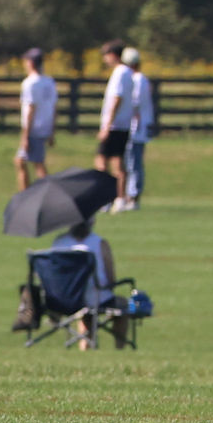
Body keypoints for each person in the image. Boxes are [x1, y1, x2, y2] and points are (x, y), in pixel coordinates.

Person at [50, 215, 128, 349]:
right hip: (96, 299)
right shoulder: (99, 243)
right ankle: (120, 348)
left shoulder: (59, 242)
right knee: (125, 305)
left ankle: (85, 345)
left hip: (62, 300)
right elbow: (111, 280)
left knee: (85, 309)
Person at [95, 40, 132, 211]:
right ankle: (118, 198)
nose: (105, 59)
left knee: (104, 162)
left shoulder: (120, 73)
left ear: (113, 55)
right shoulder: (127, 72)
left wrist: (107, 125)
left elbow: (116, 99)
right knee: (117, 161)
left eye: (106, 55)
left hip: (115, 126)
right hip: (121, 125)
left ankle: (110, 198)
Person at [16, 48, 58, 191]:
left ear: (31, 63)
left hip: (33, 129)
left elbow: (30, 110)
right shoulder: (49, 82)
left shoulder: (30, 83)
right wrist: (52, 131)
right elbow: (54, 108)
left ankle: (37, 194)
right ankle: (29, 194)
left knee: (35, 164)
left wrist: (25, 136)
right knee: (25, 161)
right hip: (45, 127)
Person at [122, 47, 154, 212]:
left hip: (136, 128)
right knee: (131, 162)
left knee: (133, 163)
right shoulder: (140, 79)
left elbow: (135, 103)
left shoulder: (137, 80)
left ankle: (133, 197)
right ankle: (129, 195)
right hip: (136, 127)